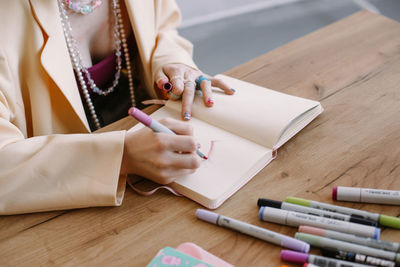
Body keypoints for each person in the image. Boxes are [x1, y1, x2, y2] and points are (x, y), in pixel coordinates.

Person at [0, 0, 234, 214]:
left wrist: (171, 64)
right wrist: (121, 156)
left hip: (146, 137)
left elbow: (163, 29)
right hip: (64, 196)